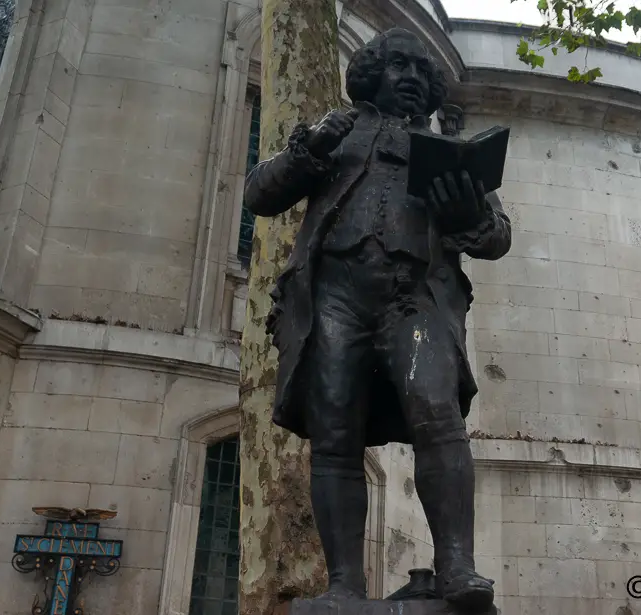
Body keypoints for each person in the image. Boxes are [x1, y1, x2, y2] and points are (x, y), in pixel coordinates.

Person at [244, 27, 511, 611]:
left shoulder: (452, 153)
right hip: (335, 299)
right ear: (373, 75)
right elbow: (259, 193)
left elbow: (496, 237)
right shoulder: (335, 135)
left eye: (422, 71)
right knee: (334, 438)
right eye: (398, 67)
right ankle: (343, 585)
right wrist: (304, 151)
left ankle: (457, 568)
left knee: (438, 418)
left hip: (414, 298)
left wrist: (468, 211)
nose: (412, 78)